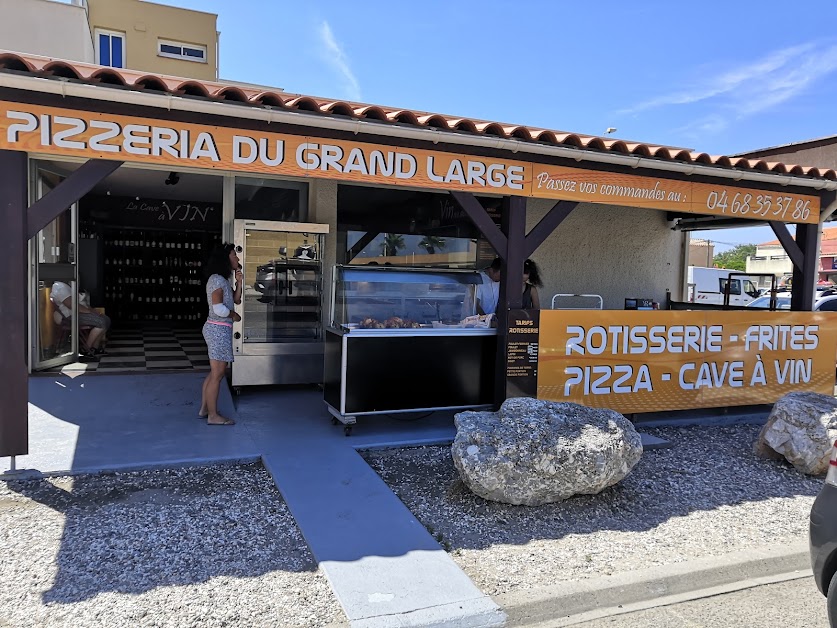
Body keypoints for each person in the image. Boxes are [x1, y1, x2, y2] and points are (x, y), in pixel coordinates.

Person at [198, 243, 242, 426]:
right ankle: (213, 415)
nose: (237, 259)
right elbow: (218, 309)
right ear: (225, 258)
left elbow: (236, 299)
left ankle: (205, 409)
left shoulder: (222, 280)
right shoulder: (217, 280)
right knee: (218, 374)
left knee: (215, 373)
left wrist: (239, 282)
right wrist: (234, 315)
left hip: (219, 329)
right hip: (217, 329)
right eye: (234, 255)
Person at [50, 281, 110, 356]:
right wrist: (90, 312)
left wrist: (92, 311)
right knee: (101, 322)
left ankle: (95, 348)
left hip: (79, 313)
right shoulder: (59, 286)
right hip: (70, 316)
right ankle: (86, 349)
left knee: (106, 319)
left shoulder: (69, 285)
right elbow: (71, 305)